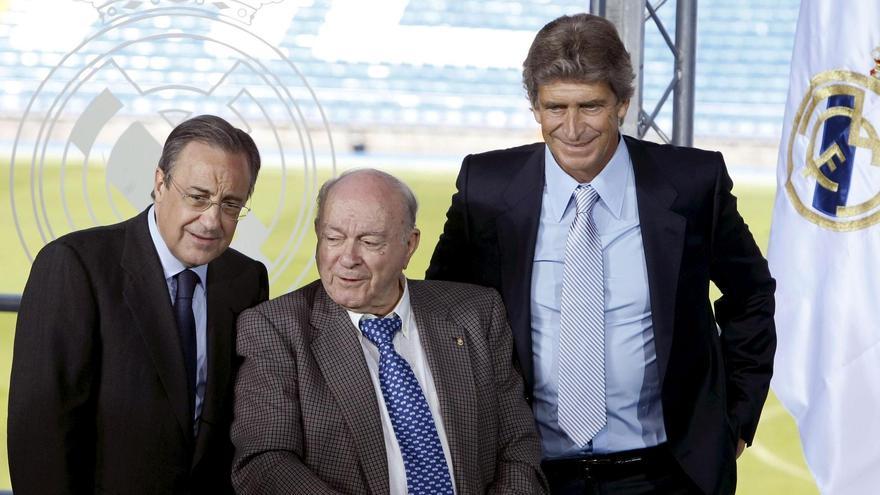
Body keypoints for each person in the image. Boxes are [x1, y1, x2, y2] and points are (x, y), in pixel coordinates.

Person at [426, 13, 776, 495]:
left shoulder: (694, 183)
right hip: (527, 476)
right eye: (555, 108)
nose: (572, 129)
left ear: (623, 104)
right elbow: (440, 313)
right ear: (535, 107)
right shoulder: (484, 189)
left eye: (590, 106)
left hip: (667, 476)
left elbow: (751, 294)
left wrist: (734, 419)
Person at [231, 169, 547, 494]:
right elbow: (265, 462)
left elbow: (517, 445)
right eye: (333, 238)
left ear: (409, 245)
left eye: (369, 241)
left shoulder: (477, 313)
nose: (348, 258)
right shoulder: (276, 328)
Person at [8, 114, 269, 494]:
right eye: (198, 197)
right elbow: (39, 436)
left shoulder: (246, 280)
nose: (212, 220)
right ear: (160, 183)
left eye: (231, 204)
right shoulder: (74, 265)